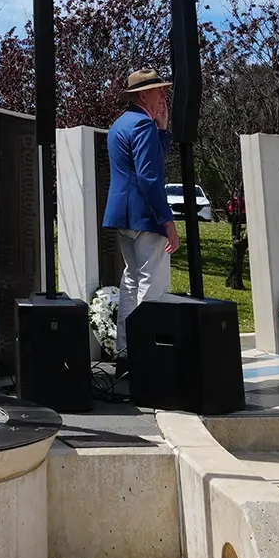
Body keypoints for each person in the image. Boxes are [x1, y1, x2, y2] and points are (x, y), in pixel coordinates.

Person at [103, 67, 180, 371]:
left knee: (131, 282)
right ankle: (149, 356)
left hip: (123, 216)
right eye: (160, 90)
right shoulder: (142, 127)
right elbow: (150, 178)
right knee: (152, 285)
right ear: (144, 94)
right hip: (146, 216)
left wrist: (162, 130)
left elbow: (143, 166)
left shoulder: (122, 124)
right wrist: (168, 222)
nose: (164, 95)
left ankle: (126, 354)